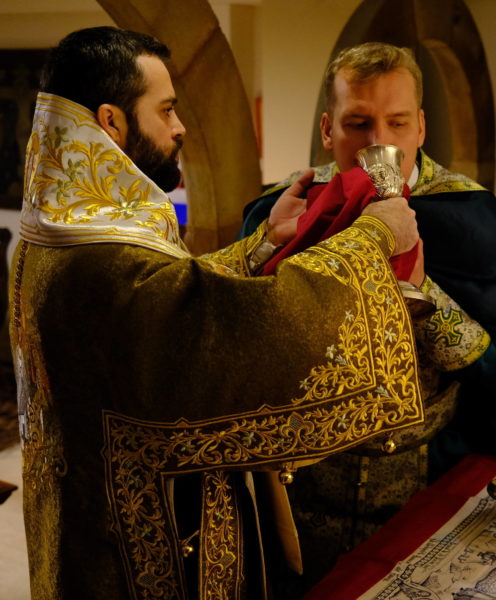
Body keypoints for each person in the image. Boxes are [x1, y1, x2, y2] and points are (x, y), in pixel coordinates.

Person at [8, 28, 428, 600]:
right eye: (166, 109)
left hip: (88, 513)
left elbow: (172, 298)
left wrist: (262, 245)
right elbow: (224, 329)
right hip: (133, 552)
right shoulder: (97, 258)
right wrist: (373, 236)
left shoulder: (62, 231)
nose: (181, 126)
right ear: (111, 122)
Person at [240, 42, 496, 597]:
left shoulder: (475, 218)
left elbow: (493, 369)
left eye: (397, 123)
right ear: (328, 130)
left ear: (421, 127)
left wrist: (423, 293)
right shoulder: (278, 210)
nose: (379, 143)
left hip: (426, 478)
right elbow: (242, 344)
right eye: (358, 124)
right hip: (302, 488)